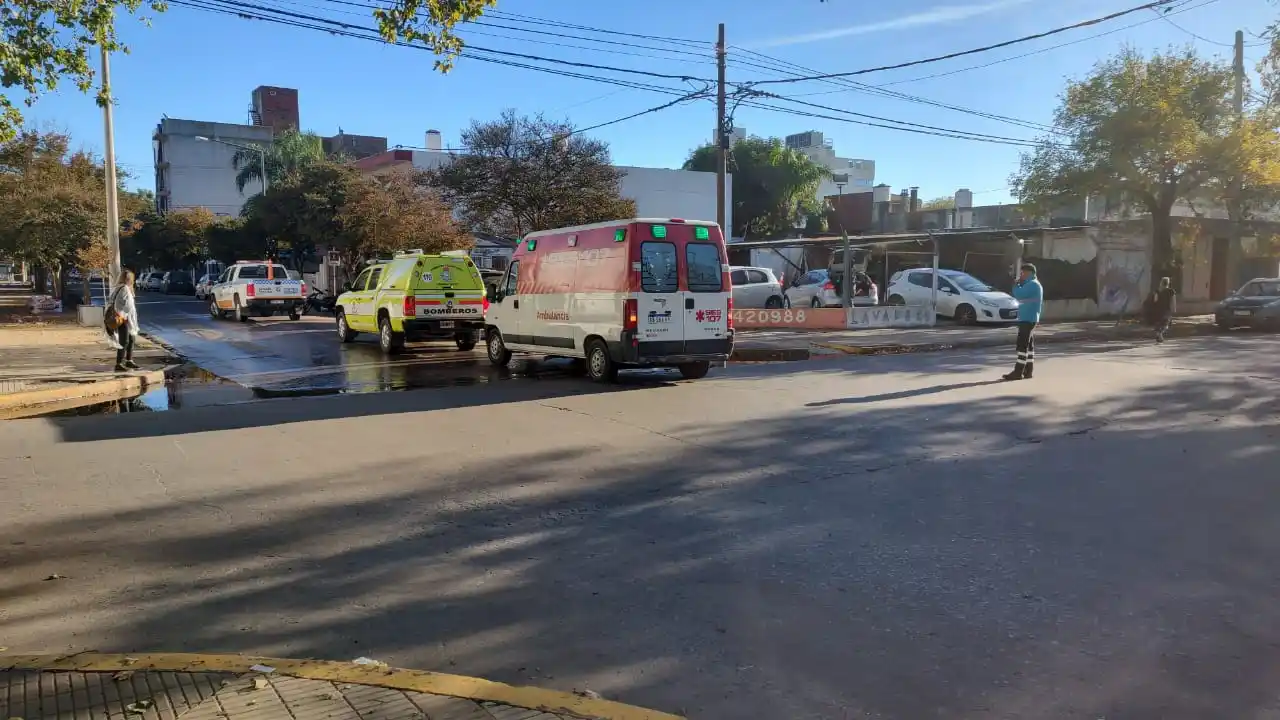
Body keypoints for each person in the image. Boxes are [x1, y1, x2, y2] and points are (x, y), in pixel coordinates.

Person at [1004, 262, 1044, 381]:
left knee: (1022, 345)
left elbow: (1019, 294)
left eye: (1023, 273)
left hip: (1027, 318)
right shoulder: (1032, 284)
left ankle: (1018, 372)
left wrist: (1015, 285)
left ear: (1029, 273)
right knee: (1029, 346)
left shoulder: (1032, 284)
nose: (1021, 275)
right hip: (1029, 317)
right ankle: (1028, 371)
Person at [105, 269, 140, 372]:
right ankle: (119, 363)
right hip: (123, 318)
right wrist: (125, 316)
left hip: (122, 317)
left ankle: (129, 360)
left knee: (131, 339)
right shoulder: (124, 288)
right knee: (124, 341)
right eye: (129, 278)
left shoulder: (119, 288)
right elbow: (127, 305)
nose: (129, 280)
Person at [1152, 276, 1177, 343]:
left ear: (1161, 282)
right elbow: (1173, 301)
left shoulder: (1157, 290)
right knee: (1166, 324)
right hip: (1166, 310)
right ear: (1168, 283)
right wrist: (1174, 309)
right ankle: (1160, 334)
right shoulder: (1171, 291)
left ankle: (1159, 335)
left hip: (1158, 309)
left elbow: (1155, 300)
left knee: (1159, 323)